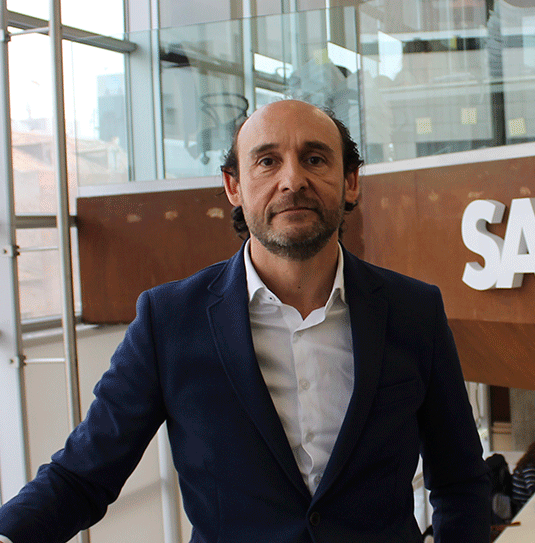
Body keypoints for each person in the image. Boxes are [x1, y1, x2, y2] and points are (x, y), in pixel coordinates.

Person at [0, 100, 491, 542]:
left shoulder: (413, 310)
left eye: (315, 159)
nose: (293, 180)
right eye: (267, 161)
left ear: (350, 182)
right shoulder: (168, 321)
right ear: (233, 186)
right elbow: (82, 476)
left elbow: (460, 481)